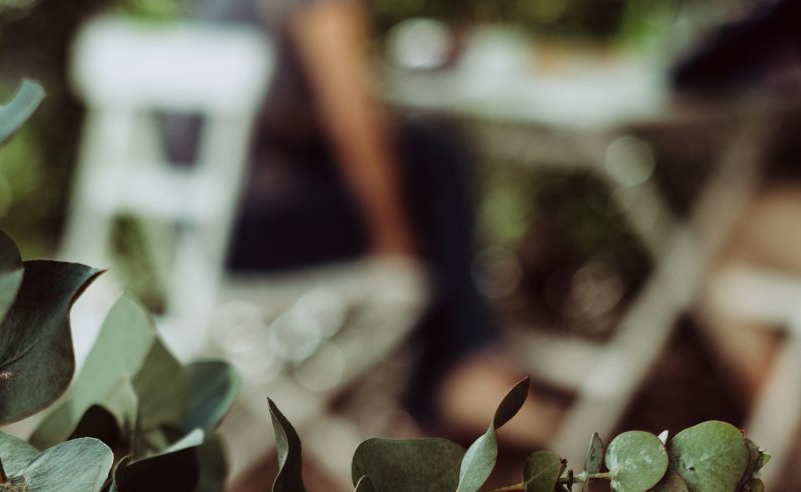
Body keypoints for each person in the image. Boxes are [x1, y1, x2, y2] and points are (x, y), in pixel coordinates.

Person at [189, 0, 555, 441]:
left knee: (421, 152)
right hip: (259, 230)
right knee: (433, 154)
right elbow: (348, 114)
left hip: (201, 236)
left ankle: (453, 370)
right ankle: (462, 368)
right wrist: (392, 241)